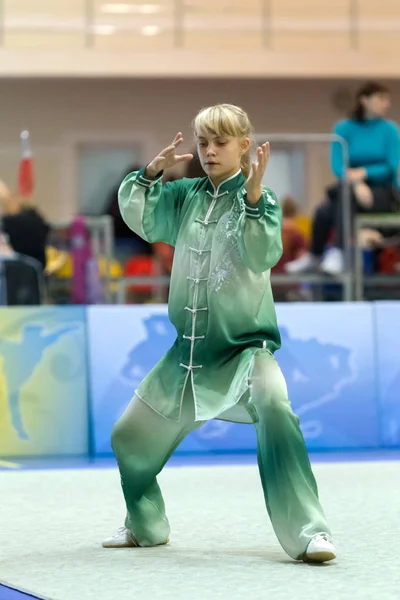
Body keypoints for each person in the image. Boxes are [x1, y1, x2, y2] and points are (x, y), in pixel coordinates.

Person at [103, 104, 336, 563]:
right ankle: (145, 526)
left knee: (274, 405)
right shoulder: (184, 195)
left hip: (246, 353)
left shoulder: (261, 202)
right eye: (203, 142)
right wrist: (152, 171)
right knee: (127, 438)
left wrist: (251, 197)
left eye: (221, 143)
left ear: (244, 147)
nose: (209, 151)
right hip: (185, 356)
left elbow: (261, 253)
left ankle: (311, 533)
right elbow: (141, 217)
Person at [286, 81, 400, 275]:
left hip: (382, 193)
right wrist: (356, 184)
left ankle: (331, 252)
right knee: (323, 210)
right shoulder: (344, 128)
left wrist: (363, 174)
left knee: (334, 201)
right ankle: (317, 256)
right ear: (364, 100)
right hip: (350, 189)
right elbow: (338, 165)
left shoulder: (390, 130)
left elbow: (391, 167)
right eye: (381, 99)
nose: (386, 104)